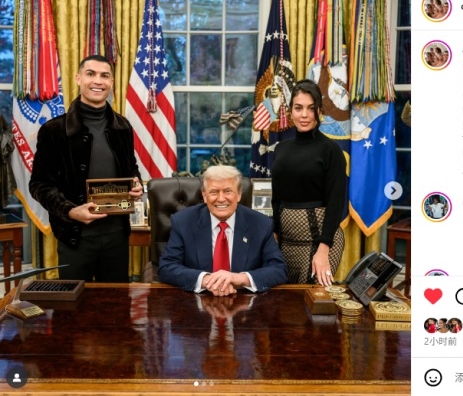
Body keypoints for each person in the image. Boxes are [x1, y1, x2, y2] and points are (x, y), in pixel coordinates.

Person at [29, 54, 143, 282]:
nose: (98, 81)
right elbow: (39, 185)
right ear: (78, 78)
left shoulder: (123, 127)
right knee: (74, 303)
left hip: (117, 237)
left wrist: (136, 183)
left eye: (105, 76)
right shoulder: (54, 130)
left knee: (115, 302)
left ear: (111, 82)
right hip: (74, 237)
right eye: (91, 74)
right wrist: (70, 211)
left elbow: (131, 168)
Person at [158, 165, 287, 295]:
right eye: (214, 192)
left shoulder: (260, 224)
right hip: (196, 299)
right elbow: (167, 267)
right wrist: (206, 280)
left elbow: (278, 269)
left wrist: (240, 278)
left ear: (239, 194)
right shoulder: (183, 222)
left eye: (227, 191)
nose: (221, 199)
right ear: (204, 195)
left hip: (244, 300)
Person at [271, 79, 347, 286]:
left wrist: (323, 249)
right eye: (298, 108)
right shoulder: (280, 149)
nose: (304, 115)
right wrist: (274, 235)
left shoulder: (331, 150)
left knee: (310, 299)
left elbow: (336, 202)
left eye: (311, 108)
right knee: (281, 300)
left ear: (319, 111)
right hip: (284, 242)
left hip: (321, 242)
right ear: (290, 111)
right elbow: (276, 199)